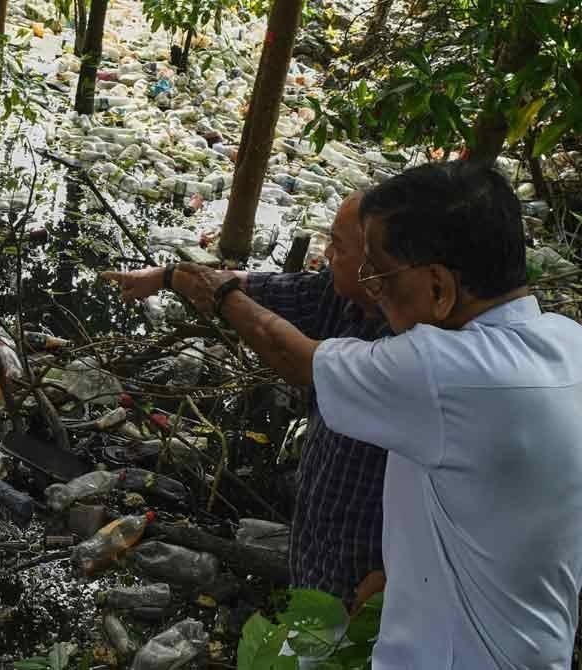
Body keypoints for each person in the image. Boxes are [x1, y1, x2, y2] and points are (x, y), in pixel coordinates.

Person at [108, 161, 582, 668]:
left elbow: (291, 355)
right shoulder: (567, 342)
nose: (370, 288)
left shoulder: (442, 369)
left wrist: (219, 294)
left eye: (380, 274)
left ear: (439, 287)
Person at [104, 192, 390, 604]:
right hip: (317, 547)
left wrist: (223, 298)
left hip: (367, 570)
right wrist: (168, 276)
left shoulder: (404, 354)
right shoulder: (342, 298)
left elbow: (295, 361)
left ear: (376, 266)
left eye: (338, 246)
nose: (327, 254)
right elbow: (268, 288)